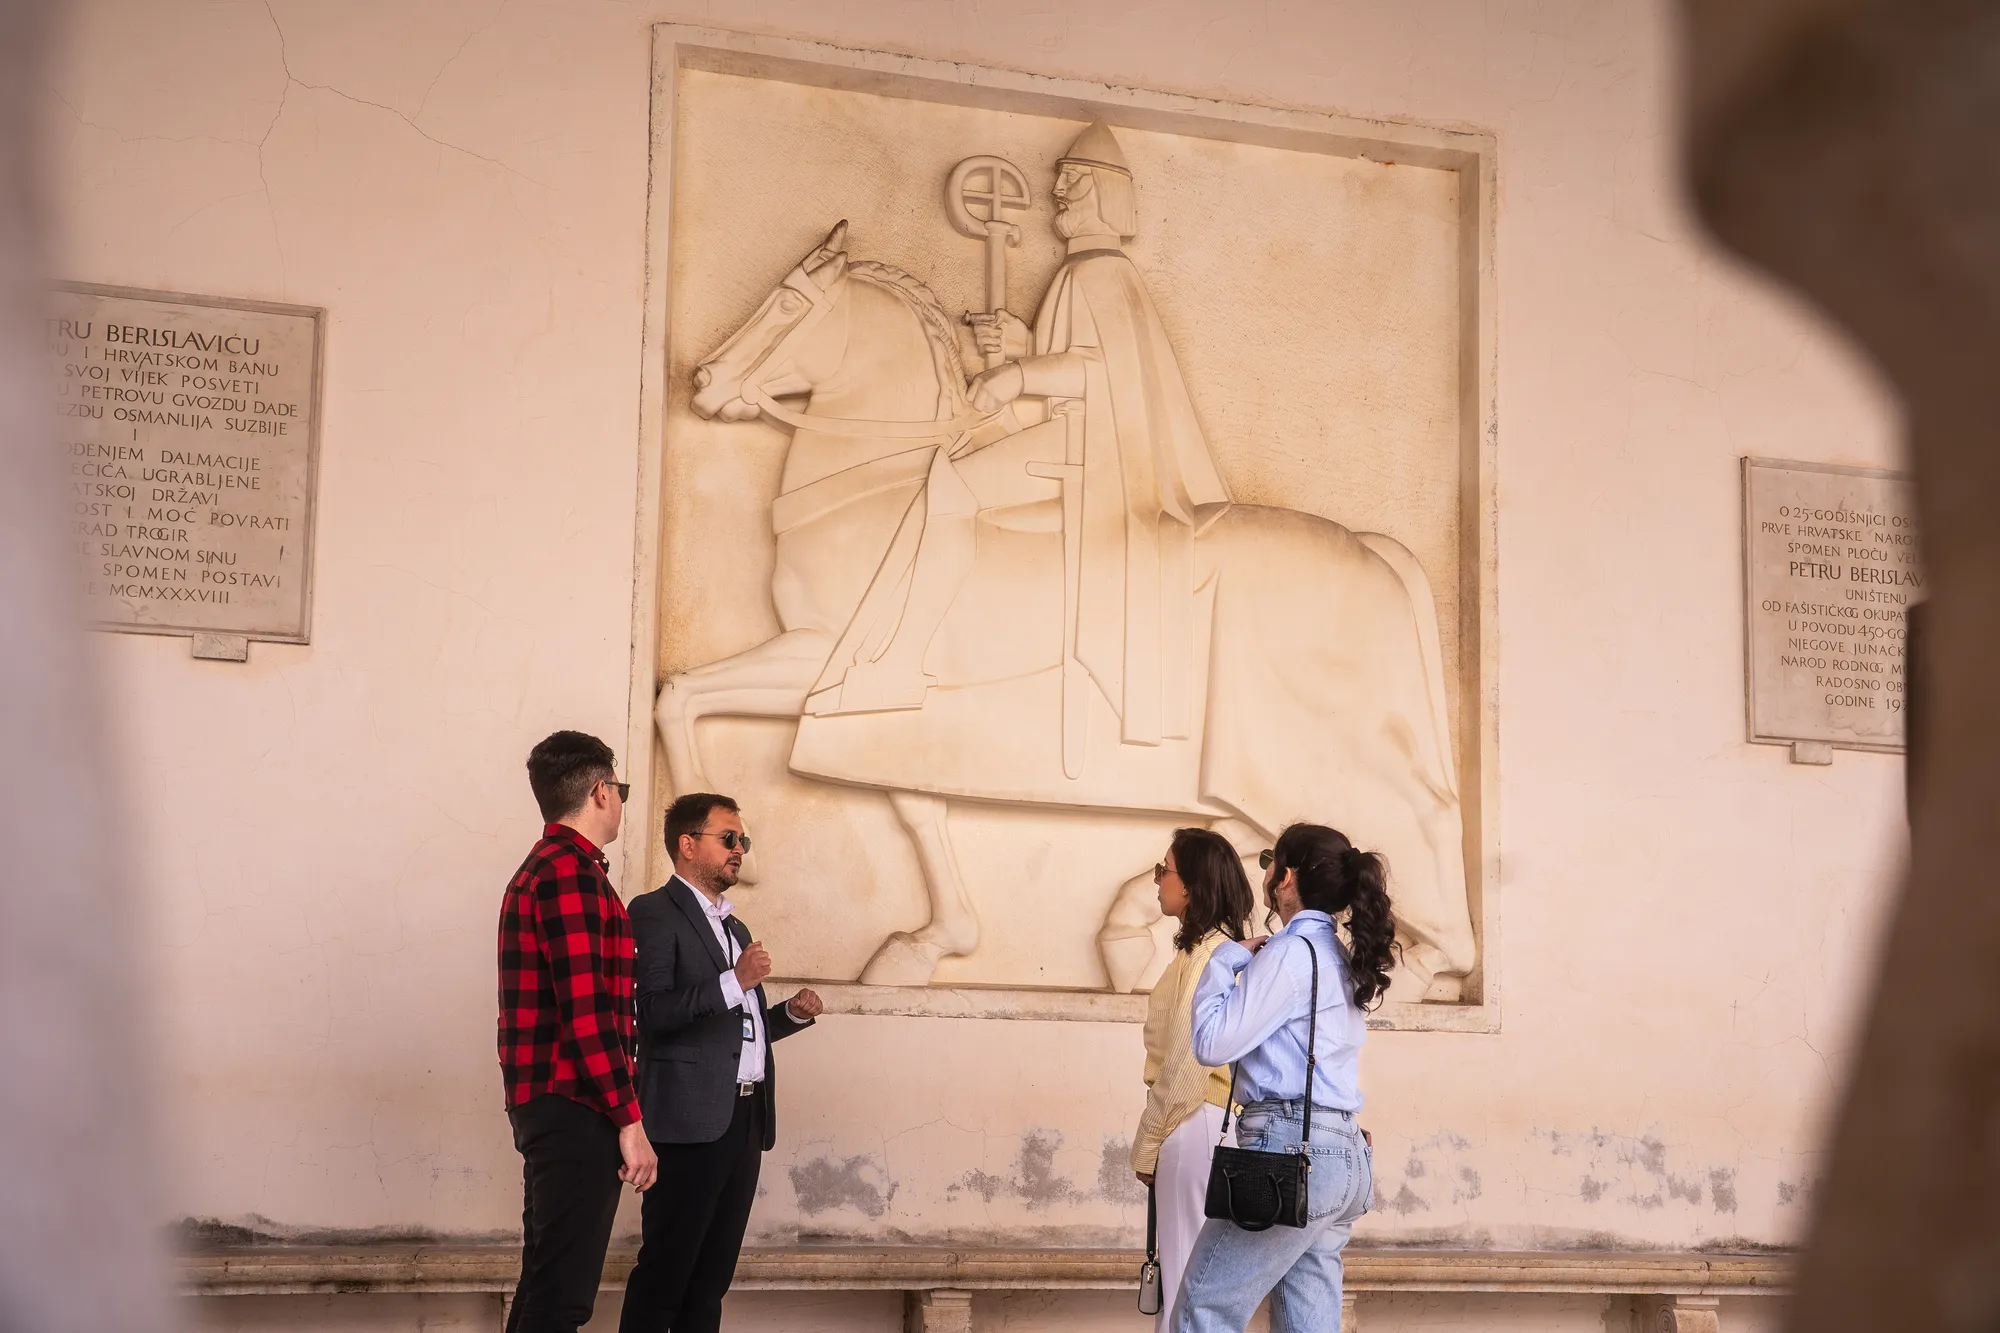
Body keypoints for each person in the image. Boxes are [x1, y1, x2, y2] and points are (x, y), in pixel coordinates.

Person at [816, 120, 1230, 747]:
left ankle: (903, 667)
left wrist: (1016, 375)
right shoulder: (1083, 270)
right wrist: (1021, 342)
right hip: (1076, 434)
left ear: (1104, 191)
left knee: (953, 486)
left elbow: (1100, 371)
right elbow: (1076, 356)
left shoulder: (1102, 273)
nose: (1059, 189)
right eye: (1061, 178)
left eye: (1073, 180)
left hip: (1096, 447)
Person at [1172, 823, 1397, 1332]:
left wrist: (1225, 960)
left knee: (1203, 1308)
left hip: (1288, 1149)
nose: (1266, 871)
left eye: (1269, 861)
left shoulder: (1290, 954)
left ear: (1286, 878)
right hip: (1343, 1157)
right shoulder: (1341, 958)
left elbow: (1212, 1043)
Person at [619, 794, 825, 1333]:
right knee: (666, 1273)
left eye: (743, 841)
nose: (739, 850)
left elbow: (736, 1033)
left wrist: (790, 1016)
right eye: (728, 839)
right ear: (688, 845)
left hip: (744, 1120)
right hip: (688, 1123)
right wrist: (736, 981)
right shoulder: (653, 912)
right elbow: (652, 1013)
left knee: (711, 1280)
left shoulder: (733, 928)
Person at [497, 731, 658, 1333]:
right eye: (619, 790)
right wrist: (630, 1122)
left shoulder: (551, 869)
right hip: (574, 1106)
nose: (620, 801)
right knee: (561, 1298)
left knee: (546, 1285)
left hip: (554, 1103)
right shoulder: (570, 876)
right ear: (600, 791)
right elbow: (589, 1018)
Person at [1130, 828, 1255, 1331]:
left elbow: (1187, 1062)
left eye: (1166, 870)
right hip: (1198, 1122)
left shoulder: (1208, 957)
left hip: (1194, 1120)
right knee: (1190, 1284)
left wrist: (1148, 1143)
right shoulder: (1203, 953)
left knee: (1186, 1284)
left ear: (1195, 884)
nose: (1157, 880)